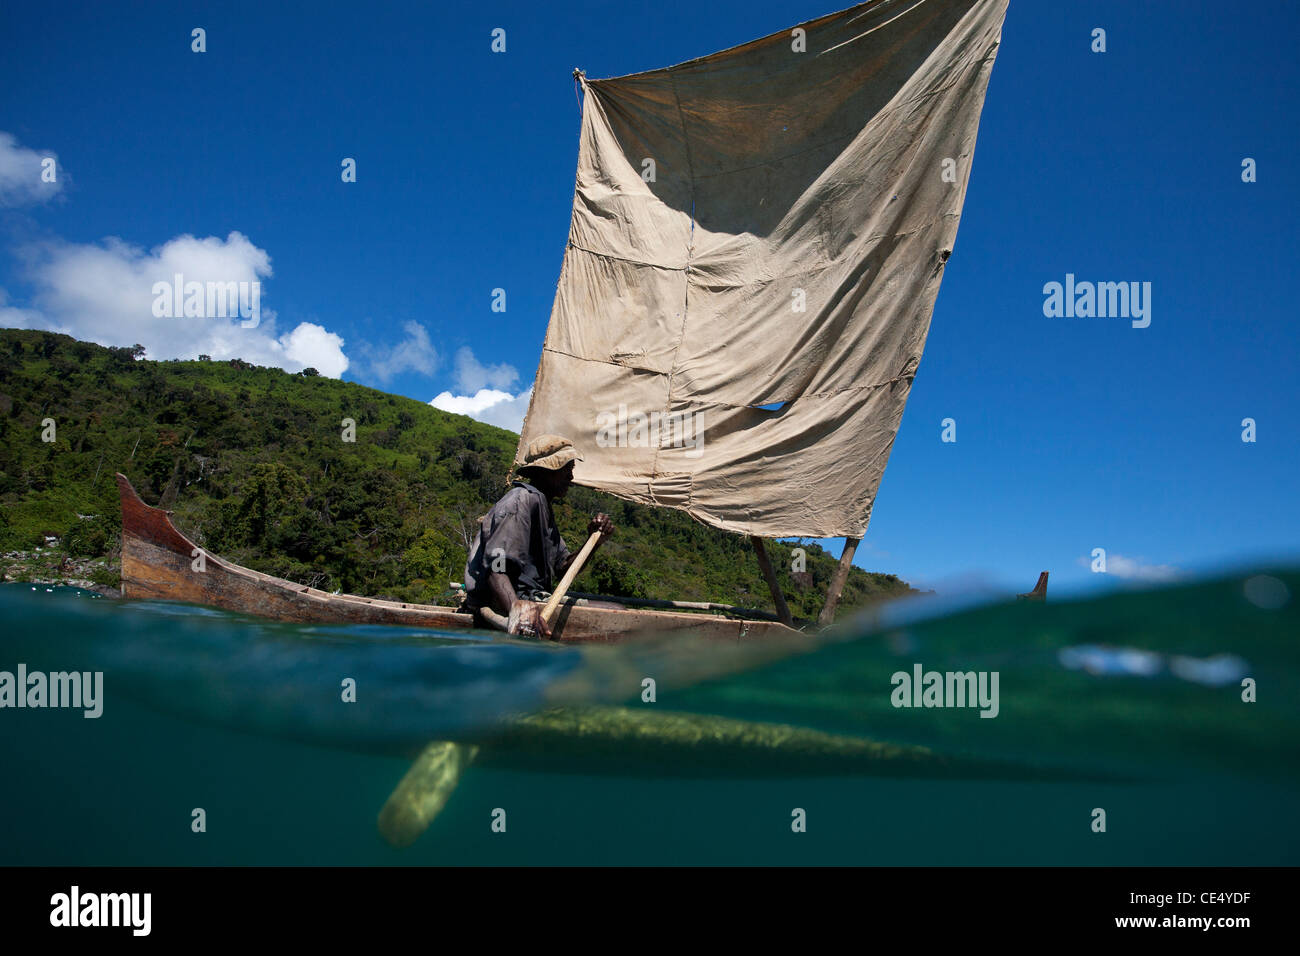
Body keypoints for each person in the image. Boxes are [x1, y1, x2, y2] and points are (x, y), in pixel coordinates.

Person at [462, 434, 613, 637]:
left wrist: (594, 541)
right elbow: (496, 567)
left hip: (532, 597)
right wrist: (517, 610)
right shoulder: (521, 501)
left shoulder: (542, 505)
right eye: (565, 470)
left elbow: (563, 568)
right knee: (617, 613)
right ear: (544, 471)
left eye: (571, 470)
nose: (571, 478)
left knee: (614, 610)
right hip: (506, 603)